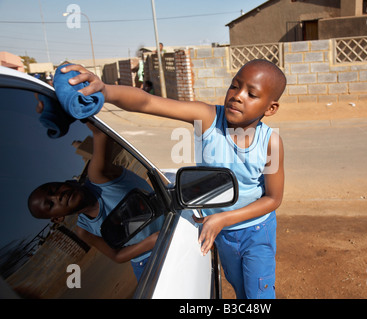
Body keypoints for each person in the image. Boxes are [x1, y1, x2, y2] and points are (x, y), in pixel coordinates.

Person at [60, 59, 286, 299]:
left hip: (255, 229)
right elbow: (148, 102)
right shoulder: (208, 117)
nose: (237, 96)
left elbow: (273, 199)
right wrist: (105, 90)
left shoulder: (270, 142)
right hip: (219, 229)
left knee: (258, 294)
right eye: (234, 86)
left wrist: (223, 218)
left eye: (251, 94)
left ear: (270, 109)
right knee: (239, 286)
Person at [28, 119, 162, 281]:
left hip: (172, 223)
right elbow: (117, 255)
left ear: (69, 182)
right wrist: (154, 239)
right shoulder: (84, 230)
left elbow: (100, 132)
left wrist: (80, 109)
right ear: (57, 218)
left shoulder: (99, 176)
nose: (58, 196)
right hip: (146, 261)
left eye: (55, 189)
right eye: (51, 204)